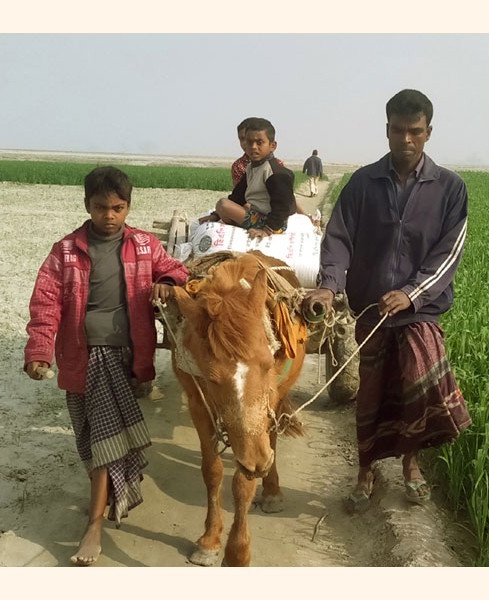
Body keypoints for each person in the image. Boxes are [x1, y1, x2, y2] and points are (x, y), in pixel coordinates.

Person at [303, 89, 471, 514]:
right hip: (373, 311)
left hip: (420, 312)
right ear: (387, 131)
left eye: (415, 131)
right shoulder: (363, 183)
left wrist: (411, 294)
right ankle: (365, 471)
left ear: (429, 132)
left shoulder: (450, 188)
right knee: (371, 395)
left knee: (416, 387)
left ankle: (412, 466)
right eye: (399, 130)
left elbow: (448, 253)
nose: (406, 140)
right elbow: (338, 238)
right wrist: (328, 286)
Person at [24, 166, 188, 566]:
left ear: (128, 207)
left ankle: (94, 525)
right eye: (101, 207)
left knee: (102, 439)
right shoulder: (64, 251)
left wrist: (167, 282)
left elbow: (179, 271)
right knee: (86, 435)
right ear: (87, 206)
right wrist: (39, 350)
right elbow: (45, 304)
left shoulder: (147, 246)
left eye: (118, 208)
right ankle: (110, 491)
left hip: (120, 356)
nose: (110, 216)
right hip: (79, 354)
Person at [203, 117, 296, 239]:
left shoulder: (274, 172)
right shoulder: (251, 167)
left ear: (272, 146)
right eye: (249, 142)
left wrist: (267, 230)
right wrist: (216, 215)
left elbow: (283, 206)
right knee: (223, 206)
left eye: (259, 142)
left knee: (224, 204)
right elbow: (238, 196)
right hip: (257, 214)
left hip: (272, 222)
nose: (253, 147)